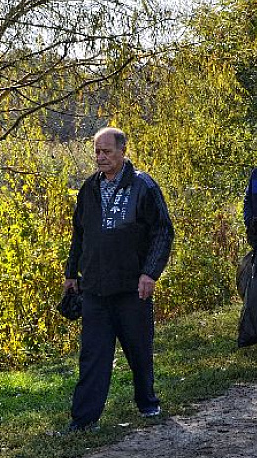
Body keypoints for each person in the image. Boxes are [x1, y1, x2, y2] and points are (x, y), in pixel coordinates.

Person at [63, 127, 174, 431]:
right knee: (92, 356)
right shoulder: (89, 189)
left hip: (131, 288)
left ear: (122, 151)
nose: (100, 157)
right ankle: (84, 420)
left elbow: (163, 231)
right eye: (97, 152)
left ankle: (147, 403)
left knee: (138, 350)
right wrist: (71, 273)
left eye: (107, 151)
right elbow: (79, 234)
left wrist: (150, 273)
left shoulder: (144, 186)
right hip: (95, 288)